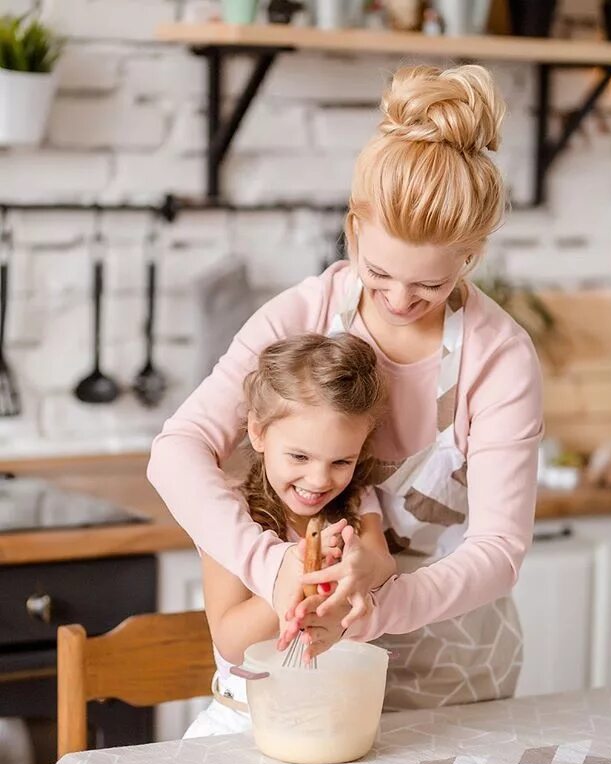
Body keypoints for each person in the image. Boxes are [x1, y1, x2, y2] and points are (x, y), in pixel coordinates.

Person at [149, 63, 543, 711]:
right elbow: (178, 449)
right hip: (306, 679)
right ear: (354, 227)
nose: (398, 299)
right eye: (379, 271)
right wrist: (272, 566)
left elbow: (499, 550)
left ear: (469, 257)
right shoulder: (300, 315)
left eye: (430, 285)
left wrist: (378, 605)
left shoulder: (498, 357)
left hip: (456, 680)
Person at [183, 332, 391, 737]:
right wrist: (299, 577)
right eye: (299, 456)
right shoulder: (229, 516)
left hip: (328, 725)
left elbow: (381, 563)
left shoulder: (357, 501)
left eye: (341, 461)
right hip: (239, 726)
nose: (319, 479)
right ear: (258, 432)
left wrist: (348, 565)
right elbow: (230, 641)